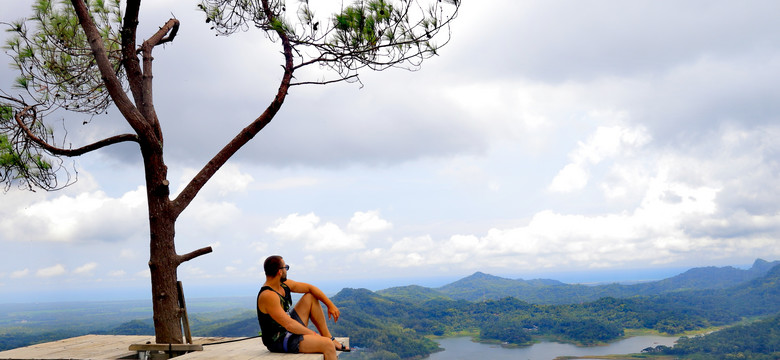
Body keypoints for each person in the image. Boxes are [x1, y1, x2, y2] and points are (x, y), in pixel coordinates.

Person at [256, 255, 350, 360]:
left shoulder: (283, 285)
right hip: (279, 339)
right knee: (327, 345)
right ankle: (328, 341)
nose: (287, 270)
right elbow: (289, 325)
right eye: (285, 267)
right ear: (280, 272)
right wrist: (314, 335)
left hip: (289, 328)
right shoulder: (268, 295)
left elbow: (310, 288)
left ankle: (328, 337)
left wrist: (330, 305)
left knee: (311, 297)